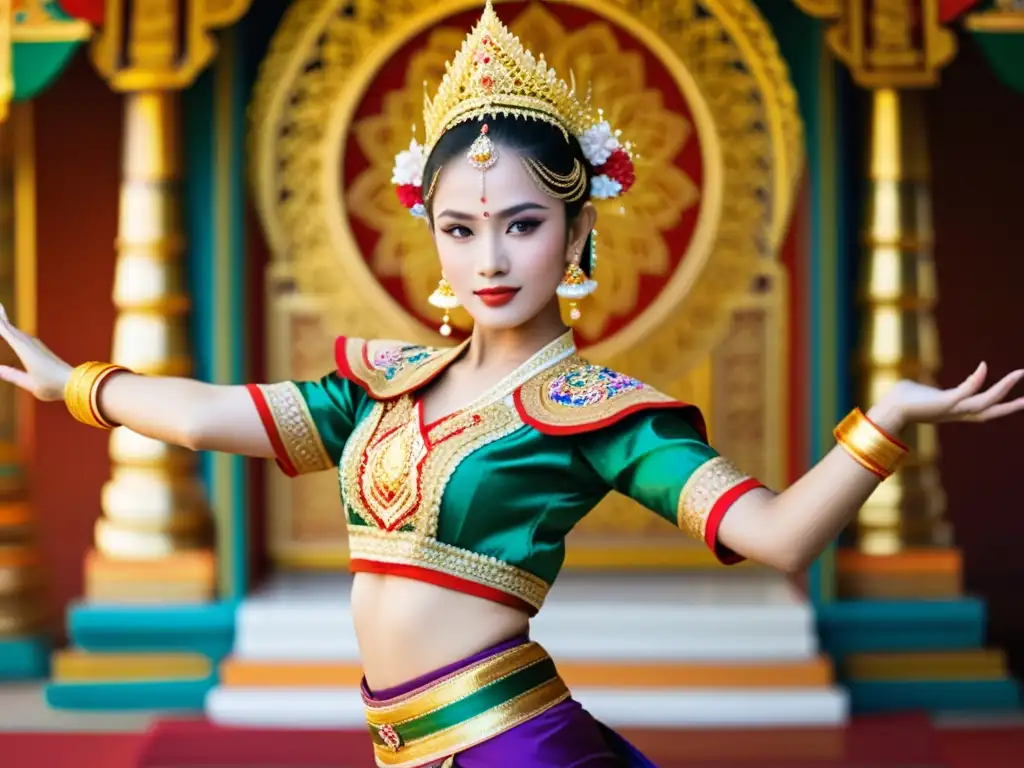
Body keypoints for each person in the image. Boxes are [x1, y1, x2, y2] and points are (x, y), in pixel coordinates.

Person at [2, 2, 1022, 766]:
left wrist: (883, 423)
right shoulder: (382, 383)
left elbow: (781, 536)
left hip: (514, 744)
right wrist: (72, 384)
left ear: (577, 233)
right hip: (404, 745)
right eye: (460, 227)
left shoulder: (601, 416)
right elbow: (214, 413)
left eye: (521, 224)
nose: (488, 257)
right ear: (431, 233)